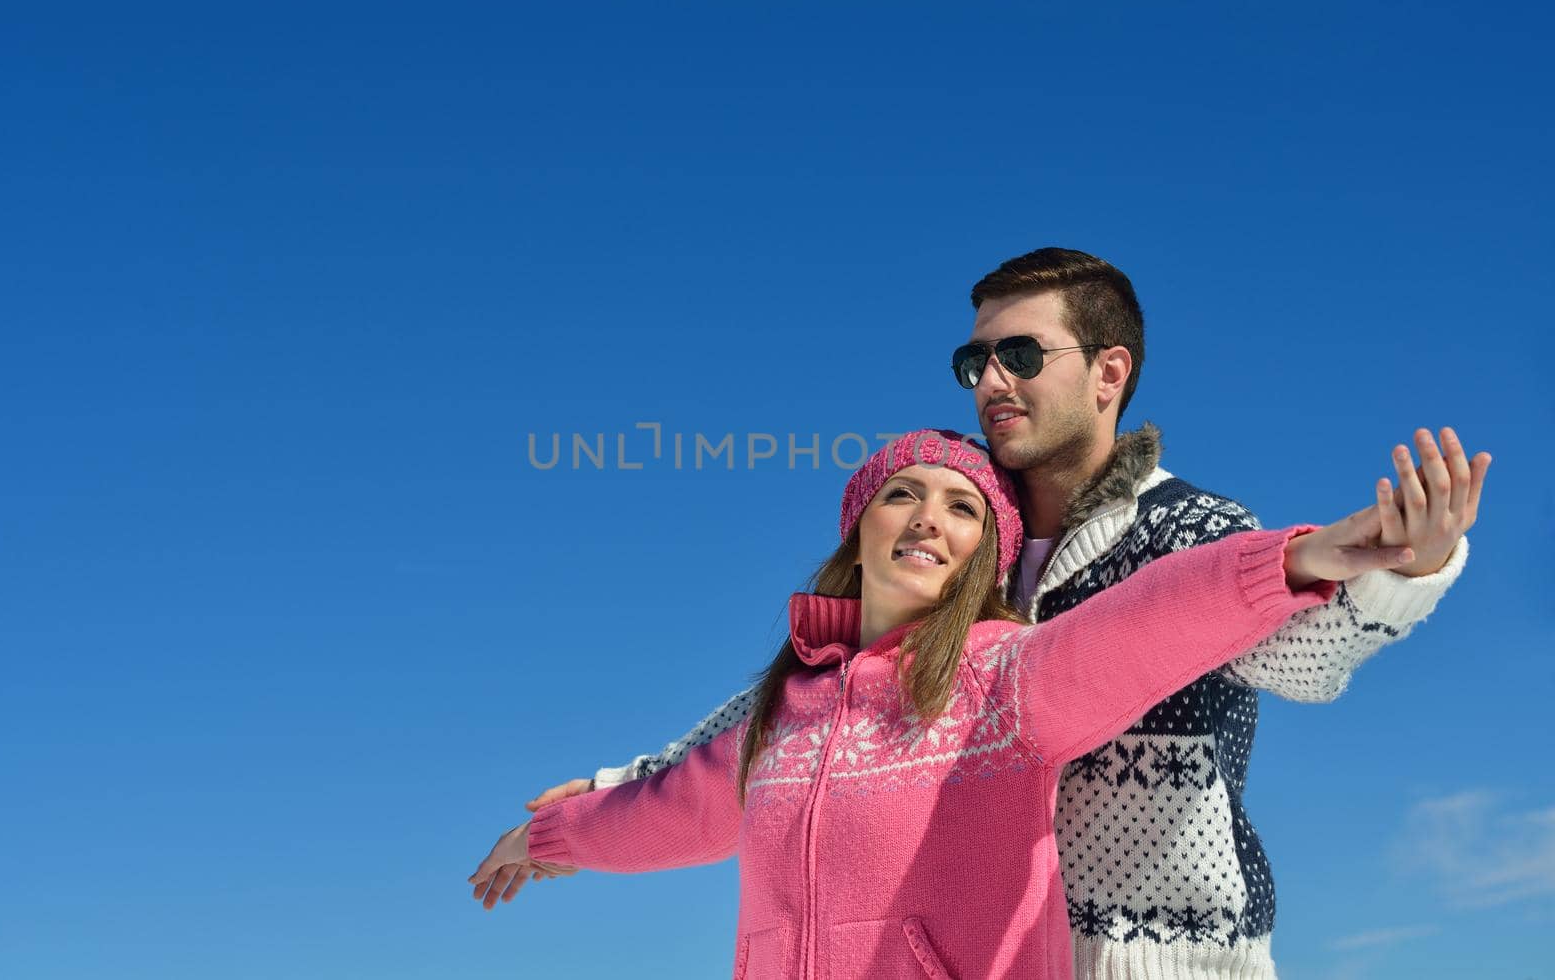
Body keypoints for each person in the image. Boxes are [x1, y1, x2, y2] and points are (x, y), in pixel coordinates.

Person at [500, 249, 1488, 979]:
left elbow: (1297, 654)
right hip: (1001, 943)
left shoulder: (1187, 527)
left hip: (1165, 956)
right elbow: (798, 724)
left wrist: (1398, 563)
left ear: (1109, 372)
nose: (991, 382)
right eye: (974, 362)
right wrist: (614, 785)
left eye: (1020, 353)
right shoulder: (968, 556)